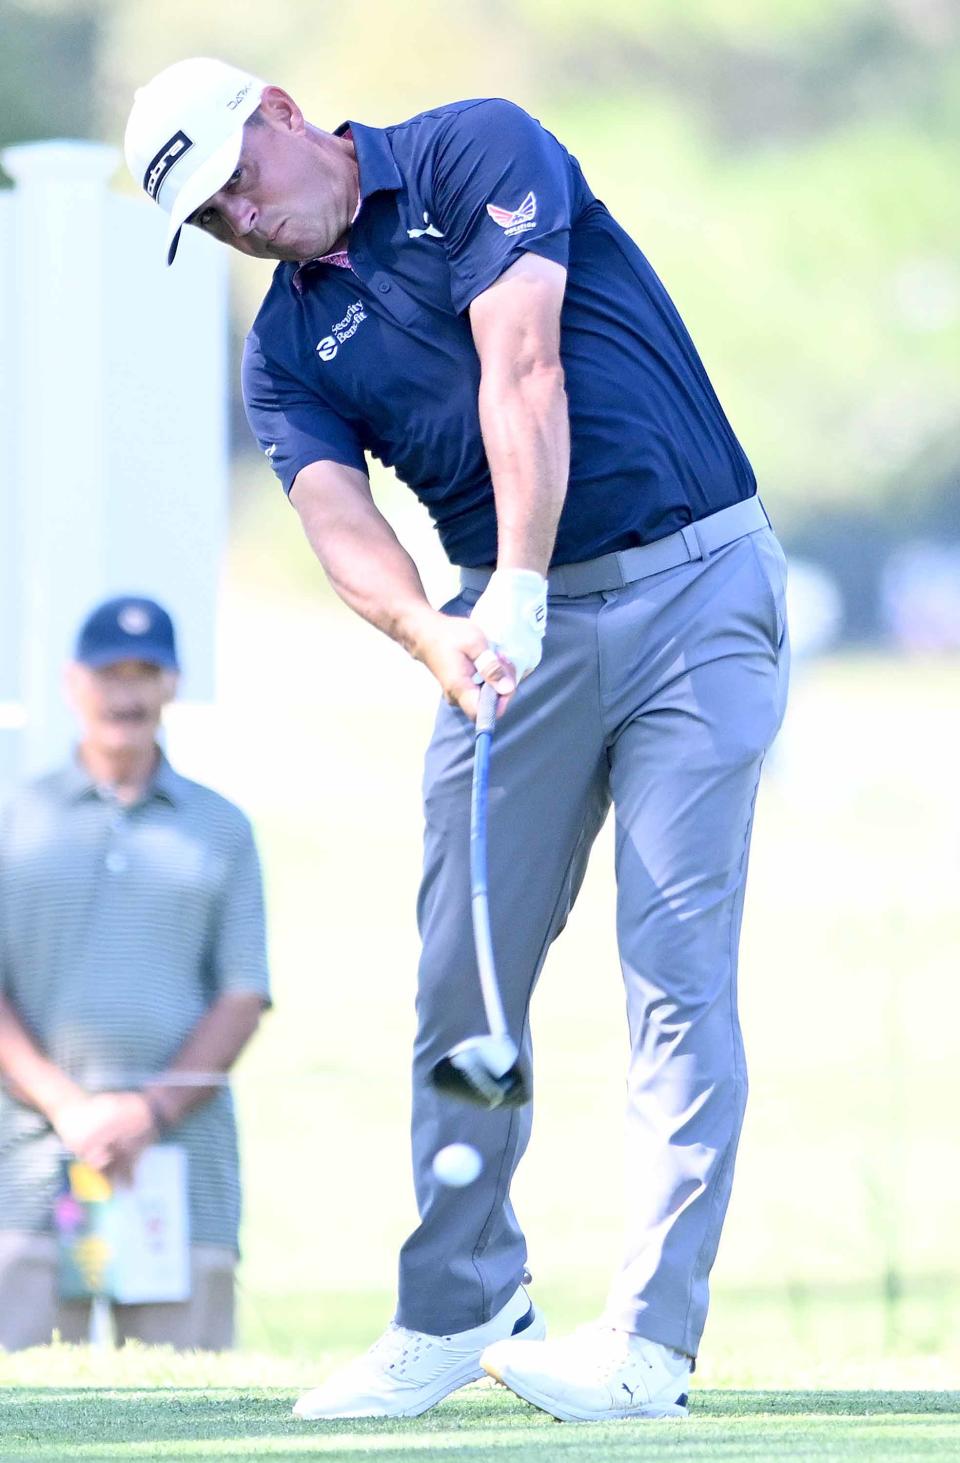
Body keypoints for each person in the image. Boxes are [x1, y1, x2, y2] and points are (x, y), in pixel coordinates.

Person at [124, 59, 790, 1420]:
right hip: (502, 629)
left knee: (673, 963)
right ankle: (459, 1297)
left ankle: (651, 1346)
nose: (240, 218)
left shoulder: (467, 154)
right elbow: (334, 519)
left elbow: (523, 361)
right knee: (459, 974)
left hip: (691, 585)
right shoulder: (281, 351)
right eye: (209, 220)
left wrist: (523, 587)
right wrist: (437, 633)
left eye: (237, 179)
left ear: (288, 113)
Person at [0, 596, 270, 1350]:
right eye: (108, 673)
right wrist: (70, 1108)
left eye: (145, 672)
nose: (126, 692)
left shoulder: (221, 826)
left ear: (173, 684)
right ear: (71, 682)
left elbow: (243, 993)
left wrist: (144, 1114)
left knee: (184, 1410)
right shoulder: (13, 818)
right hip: (24, 1164)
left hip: (181, 1166)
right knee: (21, 1412)